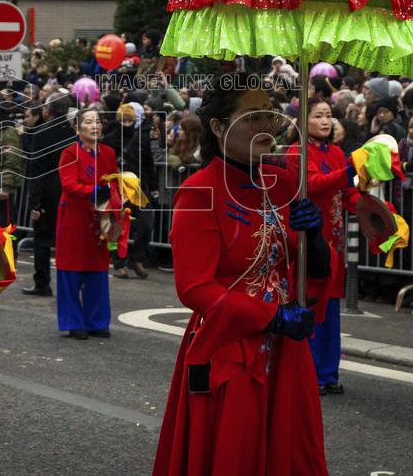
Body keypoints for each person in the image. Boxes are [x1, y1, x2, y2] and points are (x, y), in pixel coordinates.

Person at [153, 77, 330, 476]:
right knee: (235, 454)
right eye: (252, 117)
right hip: (230, 350)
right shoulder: (198, 193)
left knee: (292, 453)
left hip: (286, 350)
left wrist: (315, 238)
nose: (267, 125)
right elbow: (194, 287)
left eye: (270, 114)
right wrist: (272, 317)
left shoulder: (284, 182)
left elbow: (310, 271)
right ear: (218, 127)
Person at [287, 97, 367, 396]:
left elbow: (347, 194)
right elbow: (315, 184)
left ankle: (328, 373)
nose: (325, 121)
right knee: (313, 306)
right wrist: (348, 172)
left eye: (328, 115)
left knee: (332, 310)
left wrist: (373, 211)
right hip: (309, 241)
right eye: (318, 115)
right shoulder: (296, 152)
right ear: (303, 121)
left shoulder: (335, 152)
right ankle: (310, 373)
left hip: (335, 241)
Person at [53, 109, 119, 340]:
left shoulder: (109, 153)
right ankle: (73, 321)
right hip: (74, 217)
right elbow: (69, 186)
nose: (95, 126)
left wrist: (116, 199)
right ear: (77, 128)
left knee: (98, 269)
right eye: (89, 122)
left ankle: (97, 321)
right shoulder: (69, 153)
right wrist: (95, 191)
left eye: (98, 121)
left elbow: (115, 182)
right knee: (71, 270)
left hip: (100, 217)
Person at [23, 94, 77, 296]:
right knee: (67, 240)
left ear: (49, 110)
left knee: (43, 241)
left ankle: (42, 283)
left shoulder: (42, 132)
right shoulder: (73, 132)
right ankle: (70, 285)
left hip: (47, 193)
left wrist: (34, 203)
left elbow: (37, 170)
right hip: (69, 191)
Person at [103, 102, 156, 280]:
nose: (126, 123)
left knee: (146, 226)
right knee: (119, 226)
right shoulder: (110, 139)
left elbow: (149, 163)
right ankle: (119, 263)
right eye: (123, 119)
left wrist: (154, 186)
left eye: (129, 120)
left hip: (141, 187)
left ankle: (137, 258)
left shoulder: (142, 138)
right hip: (119, 188)